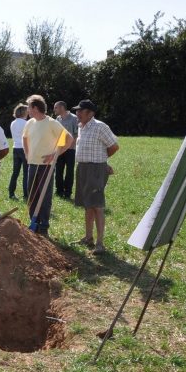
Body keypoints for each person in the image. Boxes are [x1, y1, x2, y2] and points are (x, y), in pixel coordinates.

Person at [72, 99, 120, 255]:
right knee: (88, 204)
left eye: (81, 110)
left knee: (97, 205)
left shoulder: (100, 127)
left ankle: (100, 243)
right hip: (83, 168)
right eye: (77, 110)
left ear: (90, 113)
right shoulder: (81, 127)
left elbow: (114, 146)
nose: (77, 113)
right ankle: (88, 237)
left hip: (96, 168)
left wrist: (102, 161)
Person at [22, 95, 73, 237]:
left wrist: (55, 155)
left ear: (35, 108)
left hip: (46, 165)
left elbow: (68, 139)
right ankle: (34, 223)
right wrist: (27, 154)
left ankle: (44, 226)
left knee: (44, 196)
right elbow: (24, 137)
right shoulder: (30, 123)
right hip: (32, 163)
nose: (27, 110)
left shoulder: (51, 123)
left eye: (28, 107)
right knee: (32, 194)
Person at [53, 101, 79, 199]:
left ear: (62, 108)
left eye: (56, 107)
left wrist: (71, 146)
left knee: (69, 171)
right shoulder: (58, 119)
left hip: (70, 149)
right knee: (58, 170)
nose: (54, 109)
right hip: (59, 149)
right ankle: (59, 191)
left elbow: (76, 134)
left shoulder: (74, 118)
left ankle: (68, 192)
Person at [8, 103, 29, 201]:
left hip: (15, 147)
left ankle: (11, 193)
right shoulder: (26, 123)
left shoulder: (13, 122)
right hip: (24, 148)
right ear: (23, 112)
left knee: (15, 172)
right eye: (27, 111)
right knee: (26, 173)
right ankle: (26, 195)